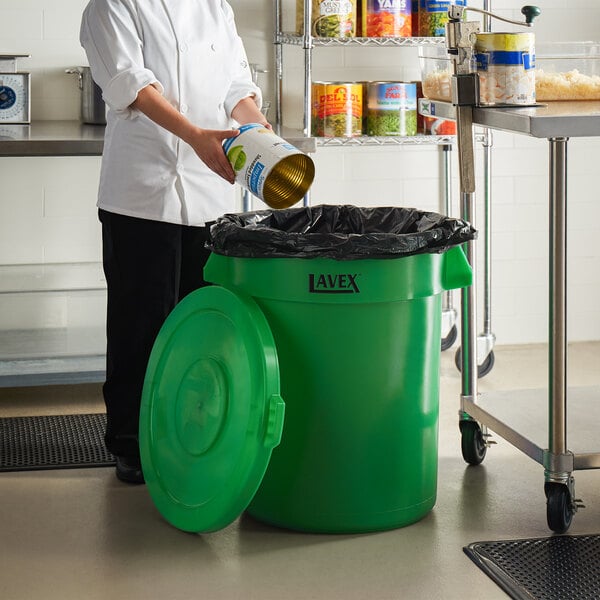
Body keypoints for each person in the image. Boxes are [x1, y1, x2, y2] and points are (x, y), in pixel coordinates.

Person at [80, 0, 270, 483]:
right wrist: (197, 136)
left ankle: (192, 435)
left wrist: (254, 125)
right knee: (140, 325)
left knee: (202, 325)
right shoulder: (111, 6)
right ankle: (131, 445)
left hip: (211, 193)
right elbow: (132, 86)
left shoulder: (215, 7)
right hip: (141, 195)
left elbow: (235, 86)